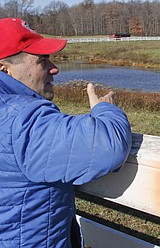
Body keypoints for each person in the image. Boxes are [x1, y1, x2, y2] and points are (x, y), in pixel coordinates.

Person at [0, 18, 132, 247]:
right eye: (42, 61)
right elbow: (106, 144)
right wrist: (105, 108)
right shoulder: (21, 120)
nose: (54, 68)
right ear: (5, 69)